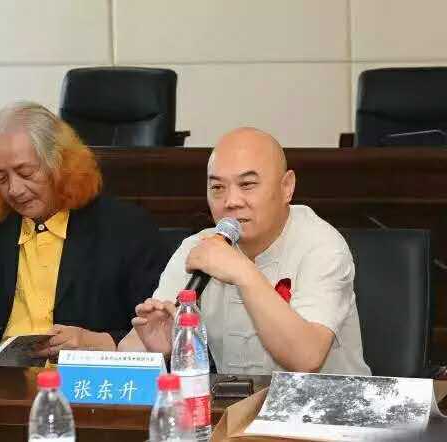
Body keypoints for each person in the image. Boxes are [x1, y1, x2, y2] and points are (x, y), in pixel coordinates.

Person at [118, 128, 371, 375]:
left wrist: (242, 272)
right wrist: (154, 348)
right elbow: (130, 348)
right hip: (237, 400)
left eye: (247, 184)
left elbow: (307, 358)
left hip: (330, 401)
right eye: (218, 188)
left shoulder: (321, 245)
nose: (231, 202)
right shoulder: (199, 248)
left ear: (286, 187)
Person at [0, 101, 168, 360]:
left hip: (83, 377)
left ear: (59, 162)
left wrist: (96, 342)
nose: (14, 189)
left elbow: (157, 331)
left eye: (26, 172)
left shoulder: (126, 228)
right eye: (0, 177)